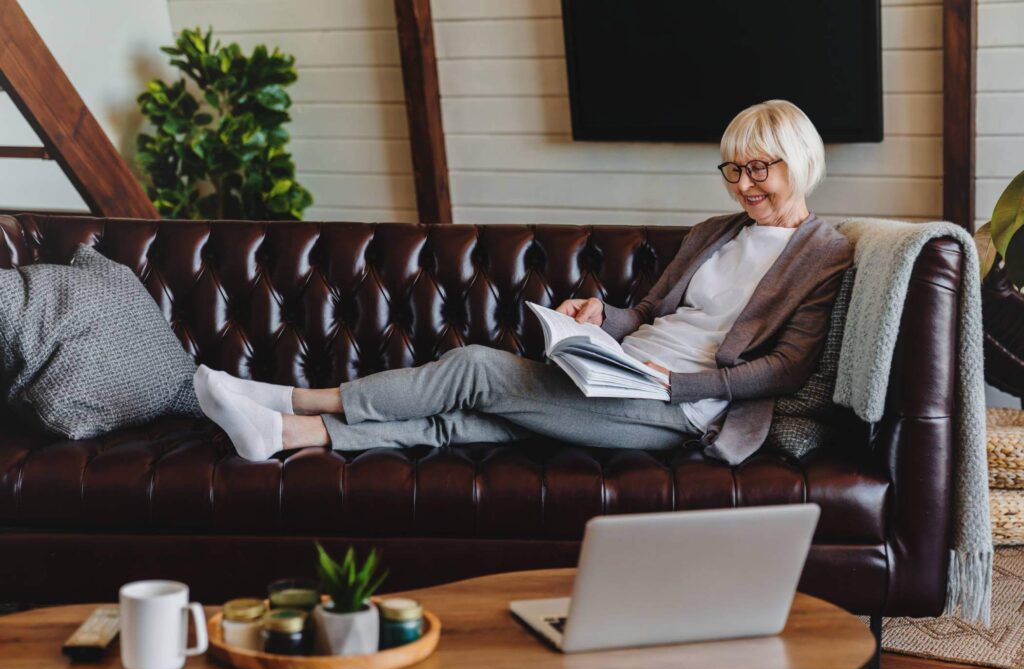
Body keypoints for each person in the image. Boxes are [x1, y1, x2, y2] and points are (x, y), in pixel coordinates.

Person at [194, 99, 854, 465]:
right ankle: (281, 438)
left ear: (796, 161)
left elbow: (787, 368)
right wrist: (605, 317)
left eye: (758, 169)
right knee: (475, 419)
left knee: (476, 368)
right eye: (732, 170)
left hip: (680, 412)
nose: (743, 185)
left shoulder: (822, 252)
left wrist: (676, 383)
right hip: (625, 370)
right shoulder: (716, 230)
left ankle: (287, 400)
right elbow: (652, 311)